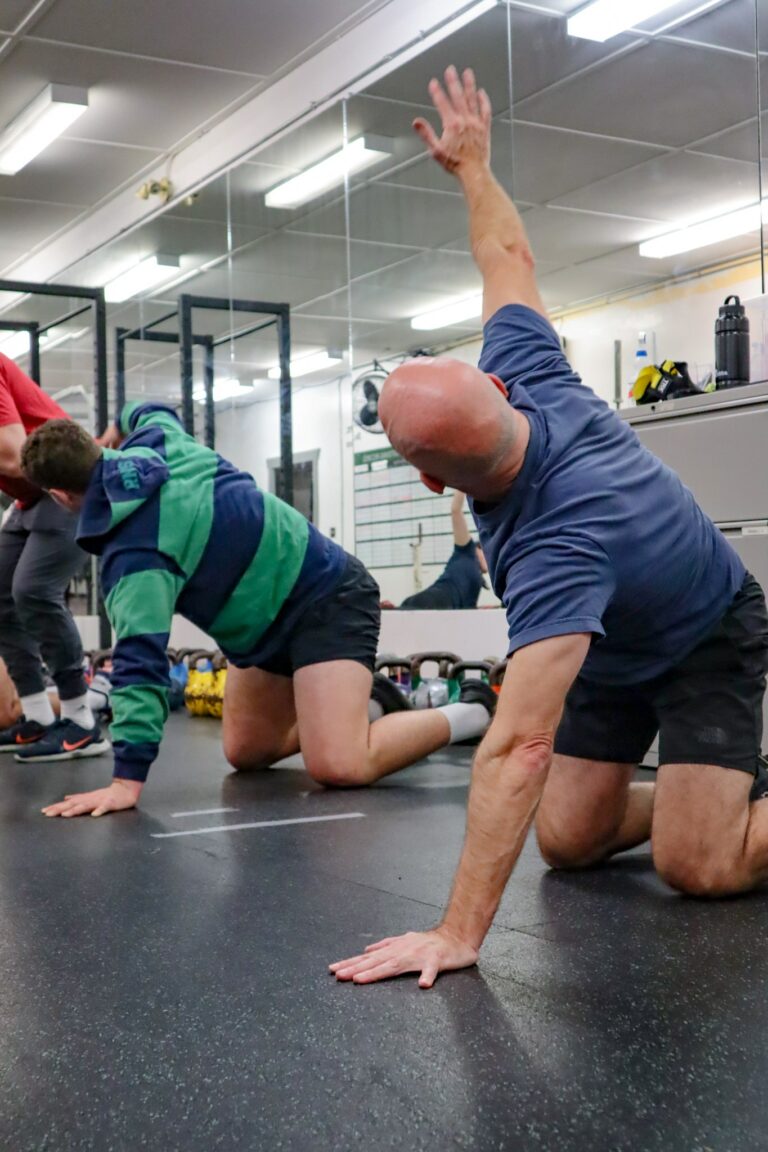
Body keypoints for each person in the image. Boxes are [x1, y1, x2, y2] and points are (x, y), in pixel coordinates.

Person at [330, 66, 768, 989]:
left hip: (705, 633)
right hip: (617, 645)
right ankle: (709, 788)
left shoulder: (555, 551)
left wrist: (457, 932)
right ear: (494, 383)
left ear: (421, 477)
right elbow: (508, 258)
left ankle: (715, 809)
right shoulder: (532, 366)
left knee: (702, 867)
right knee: (568, 841)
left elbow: (518, 745)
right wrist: (472, 170)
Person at [20, 400, 496, 818]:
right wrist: (114, 429)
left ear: (60, 495)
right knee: (247, 752)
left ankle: (475, 712)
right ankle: (367, 706)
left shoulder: (134, 559)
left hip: (327, 598)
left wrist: (127, 780)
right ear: (96, 448)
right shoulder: (159, 437)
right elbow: (146, 406)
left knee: (339, 765)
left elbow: (139, 667)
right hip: (258, 635)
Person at [0, 354, 106, 761]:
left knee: (33, 590)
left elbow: (13, 455)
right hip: (28, 496)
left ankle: (82, 722)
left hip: (64, 487)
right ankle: (38, 716)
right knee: (2, 597)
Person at [399, 491, 487, 610]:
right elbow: (456, 510)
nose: (490, 559)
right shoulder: (466, 550)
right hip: (430, 601)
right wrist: (462, 484)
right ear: (478, 548)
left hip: (444, 614)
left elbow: (468, 613)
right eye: (486, 554)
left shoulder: (480, 581)